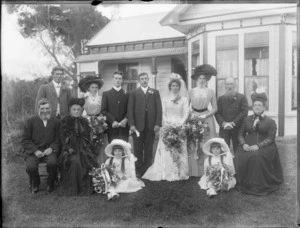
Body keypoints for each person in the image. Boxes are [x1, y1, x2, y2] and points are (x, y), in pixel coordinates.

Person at [234, 91, 284, 196]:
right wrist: (244, 144)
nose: (257, 107)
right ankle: (243, 182)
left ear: (264, 107)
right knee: (239, 156)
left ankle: (257, 185)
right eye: (255, 105)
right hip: (248, 143)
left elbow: (270, 138)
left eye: (259, 105)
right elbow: (240, 133)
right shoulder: (246, 119)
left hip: (265, 146)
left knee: (257, 157)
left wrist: (258, 146)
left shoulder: (270, 121)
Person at [142, 74, 189, 181]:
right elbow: (162, 112)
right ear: (170, 87)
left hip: (179, 126)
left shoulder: (184, 99)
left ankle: (179, 171)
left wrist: (180, 123)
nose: (175, 88)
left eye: (177, 86)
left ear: (179, 87)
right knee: (167, 148)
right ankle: (166, 171)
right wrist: (167, 123)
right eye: (173, 86)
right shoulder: (164, 99)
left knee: (179, 148)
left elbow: (186, 113)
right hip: (167, 125)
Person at [58, 98, 98, 196]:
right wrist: (68, 148)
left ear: (81, 111)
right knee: (74, 160)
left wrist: (87, 147)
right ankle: (73, 188)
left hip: (83, 147)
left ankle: (85, 187)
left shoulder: (84, 121)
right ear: (70, 110)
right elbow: (62, 137)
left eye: (78, 110)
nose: (76, 111)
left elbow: (88, 137)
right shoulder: (65, 121)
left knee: (87, 159)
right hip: (70, 147)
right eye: (74, 109)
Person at [127, 72, 163, 177]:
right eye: (142, 79)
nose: (144, 80)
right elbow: (130, 110)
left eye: (146, 78)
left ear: (148, 80)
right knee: (137, 149)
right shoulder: (133, 93)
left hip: (150, 125)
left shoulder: (154, 92)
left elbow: (159, 109)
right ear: (139, 80)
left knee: (149, 148)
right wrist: (132, 124)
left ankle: (147, 170)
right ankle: (138, 170)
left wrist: (157, 123)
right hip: (137, 126)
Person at [21, 98, 60, 194]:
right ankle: (35, 182)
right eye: (42, 108)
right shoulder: (30, 121)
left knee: (53, 164)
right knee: (30, 167)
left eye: (47, 108)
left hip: (50, 151)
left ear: (50, 109)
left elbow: (59, 139)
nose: (45, 111)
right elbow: (25, 139)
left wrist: (51, 148)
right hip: (34, 151)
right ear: (38, 109)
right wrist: (35, 151)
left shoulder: (56, 122)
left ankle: (50, 183)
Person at [188, 64, 218, 177]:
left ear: (206, 80)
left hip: (206, 117)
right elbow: (187, 107)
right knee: (193, 141)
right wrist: (193, 115)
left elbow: (215, 108)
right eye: (199, 78)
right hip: (194, 117)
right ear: (196, 79)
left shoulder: (210, 91)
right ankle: (194, 170)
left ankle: (207, 168)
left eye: (203, 78)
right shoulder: (191, 91)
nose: (201, 80)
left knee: (206, 141)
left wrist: (205, 115)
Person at [215, 77, 248, 153]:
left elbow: (244, 112)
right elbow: (217, 113)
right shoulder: (221, 99)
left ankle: (238, 164)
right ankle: (225, 164)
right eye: (227, 84)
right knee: (224, 151)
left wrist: (233, 123)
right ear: (225, 86)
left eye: (231, 84)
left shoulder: (242, 97)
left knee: (238, 151)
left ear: (235, 85)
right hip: (224, 129)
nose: (229, 86)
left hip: (238, 128)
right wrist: (224, 123)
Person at [78, 75, 107, 164]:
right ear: (88, 88)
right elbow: (79, 112)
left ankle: (100, 166)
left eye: (96, 87)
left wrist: (102, 120)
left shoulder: (101, 98)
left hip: (99, 123)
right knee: (89, 145)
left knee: (99, 145)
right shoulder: (84, 98)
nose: (94, 89)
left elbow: (104, 111)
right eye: (92, 87)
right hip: (88, 123)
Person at [101, 71, 129, 143]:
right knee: (113, 150)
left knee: (124, 149)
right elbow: (104, 110)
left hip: (124, 127)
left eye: (120, 78)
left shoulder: (127, 94)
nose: (118, 80)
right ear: (112, 79)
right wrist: (112, 121)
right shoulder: (106, 94)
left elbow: (130, 109)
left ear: (122, 80)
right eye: (116, 78)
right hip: (112, 127)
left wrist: (125, 120)